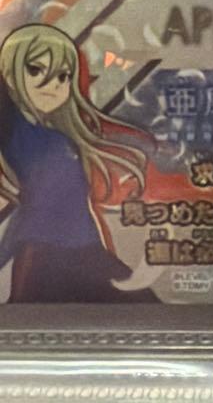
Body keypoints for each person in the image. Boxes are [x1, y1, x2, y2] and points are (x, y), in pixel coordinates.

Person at [0, 24, 157, 301]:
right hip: (42, 255)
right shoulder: (17, 130)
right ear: (10, 77)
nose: (53, 84)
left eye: (63, 76)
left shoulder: (61, 137)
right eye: (35, 69)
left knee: (145, 311)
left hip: (85, 251)